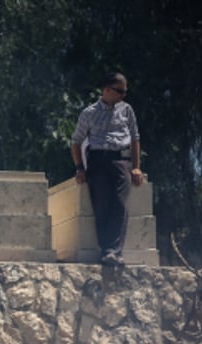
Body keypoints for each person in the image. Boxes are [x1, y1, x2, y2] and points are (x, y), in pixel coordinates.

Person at [71, 72, 143, 268]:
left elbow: (135, 138)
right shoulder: (89, 112)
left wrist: (136, 167)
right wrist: (80, 168)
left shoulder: (127, 110)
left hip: (121, 160)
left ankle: (115, 252)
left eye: (125, 91)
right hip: (97, 161)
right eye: (120, 91)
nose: (123, 95)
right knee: (101, 205)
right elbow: (76, 142)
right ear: (107, 90)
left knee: (120, 205)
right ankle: (106, 251)